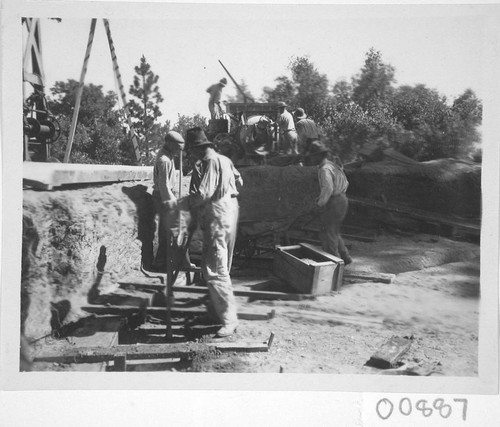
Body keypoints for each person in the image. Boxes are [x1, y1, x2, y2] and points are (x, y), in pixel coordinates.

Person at [185, 127, 243, 337]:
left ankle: (229, 319)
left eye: (190, 151)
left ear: (195, 149)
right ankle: (215, 312)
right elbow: (240, 181)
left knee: (216, 268)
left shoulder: (209, 162)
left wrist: (180, 203)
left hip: (218, 214)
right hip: (231, 210)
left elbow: (202, 194)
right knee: (220, 264)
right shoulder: (224, 160)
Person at [306, 140, 352, 266]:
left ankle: (334, 262)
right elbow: (344, 182)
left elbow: (328, 188)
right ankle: (345, 257)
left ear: (319, 156)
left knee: (328, 233)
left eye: (313, 156)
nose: (312, 158)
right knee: (334, 231)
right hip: (342, 199)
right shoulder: (332, 165)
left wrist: (319, 204)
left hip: (335, 201)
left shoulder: (325, 169)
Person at [152, 131, 185, 271]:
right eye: (177, 148)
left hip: (167, 195)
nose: (179, 151)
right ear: (170, 144)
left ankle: (165, 262)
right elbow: (164, 186)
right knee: (167, 231)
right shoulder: (164, 160)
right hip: (163, 197)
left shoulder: (168, 156)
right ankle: (161, 263)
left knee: (168, 231)